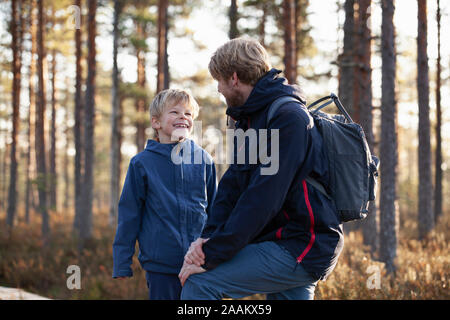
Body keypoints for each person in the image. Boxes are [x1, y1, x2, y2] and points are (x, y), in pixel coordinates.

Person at [178, 38, 344, 300]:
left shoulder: (288, 117)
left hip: (302, 244)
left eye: (219, 81)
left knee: (200, 284)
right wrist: (206, 240)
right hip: (276, 239)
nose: (218, 89)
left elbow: (263, 198)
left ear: (234, 78)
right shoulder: (248, 118)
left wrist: (212, 256)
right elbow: (232, 186)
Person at [112, 88, 217, 300]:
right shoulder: (141, 163)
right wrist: (122, 262)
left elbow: (216, 209)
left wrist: (218, 252)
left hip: (200, 263)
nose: (182, 117)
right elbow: (129, 215)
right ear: (156, 123)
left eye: (188, 114)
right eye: (175, 112)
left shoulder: (203, 159)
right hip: (162, 265)